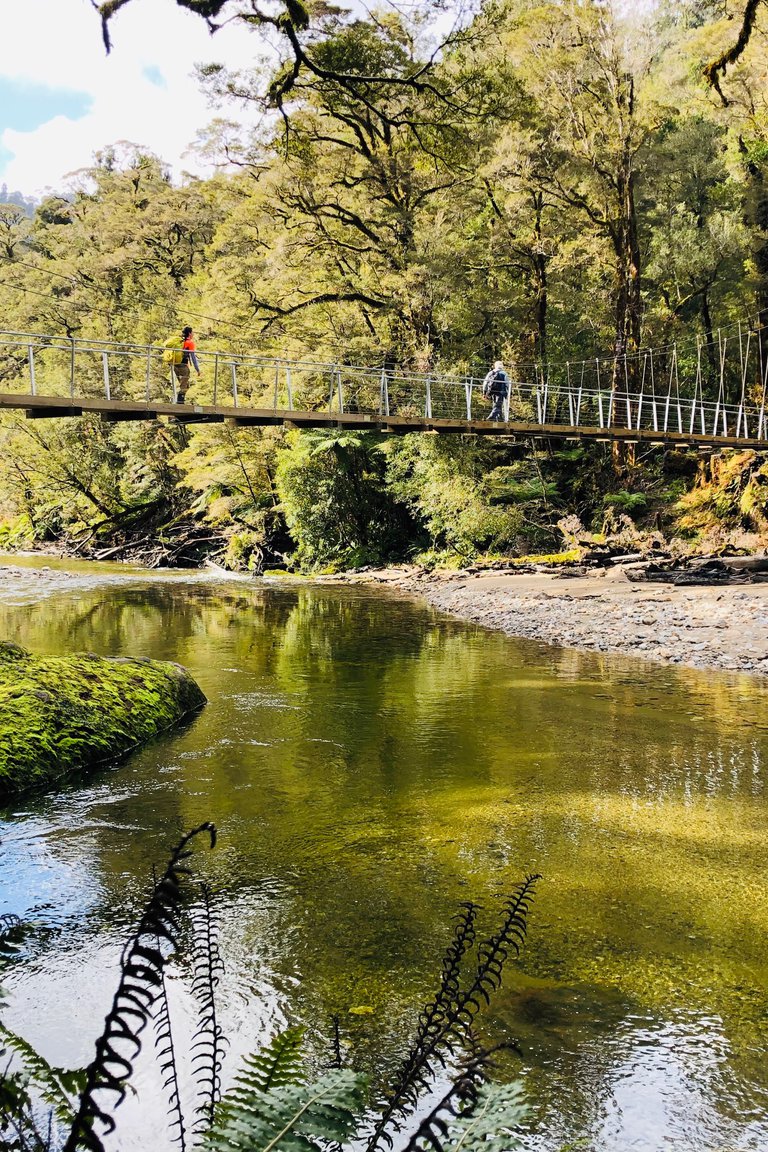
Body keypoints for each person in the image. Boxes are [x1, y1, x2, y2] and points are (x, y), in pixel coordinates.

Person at [166, 325, 201, 403]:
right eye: (192, 333)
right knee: (184, 386)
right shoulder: (189, 343)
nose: (193, 334)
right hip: (183, 366)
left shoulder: (180, 341)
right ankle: (180, 402)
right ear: (189, 333)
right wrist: (197, 369)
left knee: (185, 385)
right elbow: (193, 357)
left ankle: (178, 400)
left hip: (174, 364)